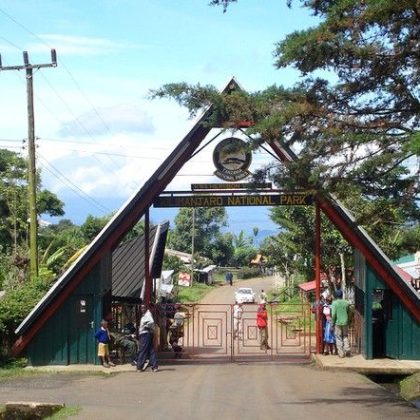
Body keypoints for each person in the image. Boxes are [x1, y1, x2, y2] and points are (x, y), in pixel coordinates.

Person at [135, 304, 159, 372]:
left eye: (143, 308)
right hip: (148, 334)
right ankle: (154, 367)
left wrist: (145, 326)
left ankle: (139, 367)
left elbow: (151, 322)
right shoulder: (145, 314)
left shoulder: (148, 314)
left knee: (143, 349)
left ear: (146, 308)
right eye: (141, 308)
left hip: (145, 334)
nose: (142, 309)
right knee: (151, 349)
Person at [331, 289, 351, 358]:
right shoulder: (347, 303)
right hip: (345, 322)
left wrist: (332, 323)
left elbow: (333, 314)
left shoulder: (334, 303)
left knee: (338, 337)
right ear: (342, 295)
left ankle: (341, 353)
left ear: (336, 296)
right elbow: (349, 312)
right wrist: (348, 321)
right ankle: (347, 348)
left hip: (337, 323)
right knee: (345, 336)